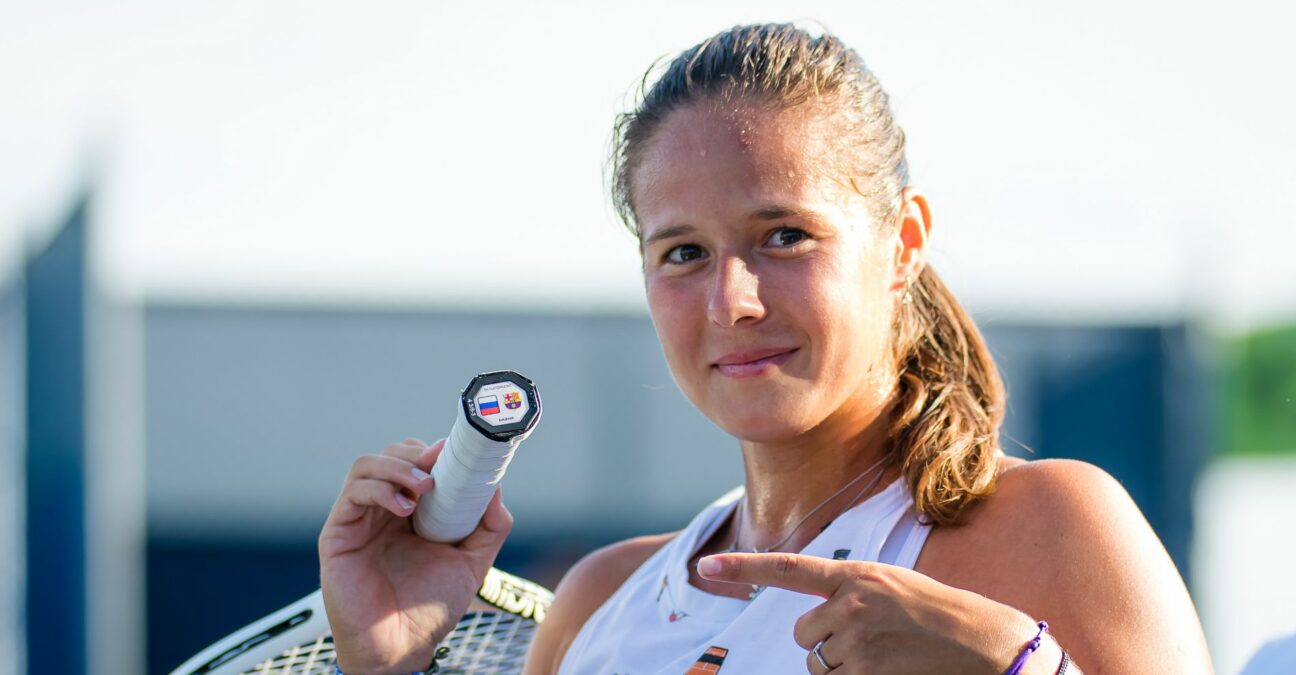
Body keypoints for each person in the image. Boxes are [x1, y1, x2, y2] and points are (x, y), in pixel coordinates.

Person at [318, 23, 1214, 674]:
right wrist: (387, 662)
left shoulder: (1051, 527)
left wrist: (1028, 674)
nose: (732, 300)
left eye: (784, 235)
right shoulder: (599, 601)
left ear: (903, 242)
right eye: (683, 253)